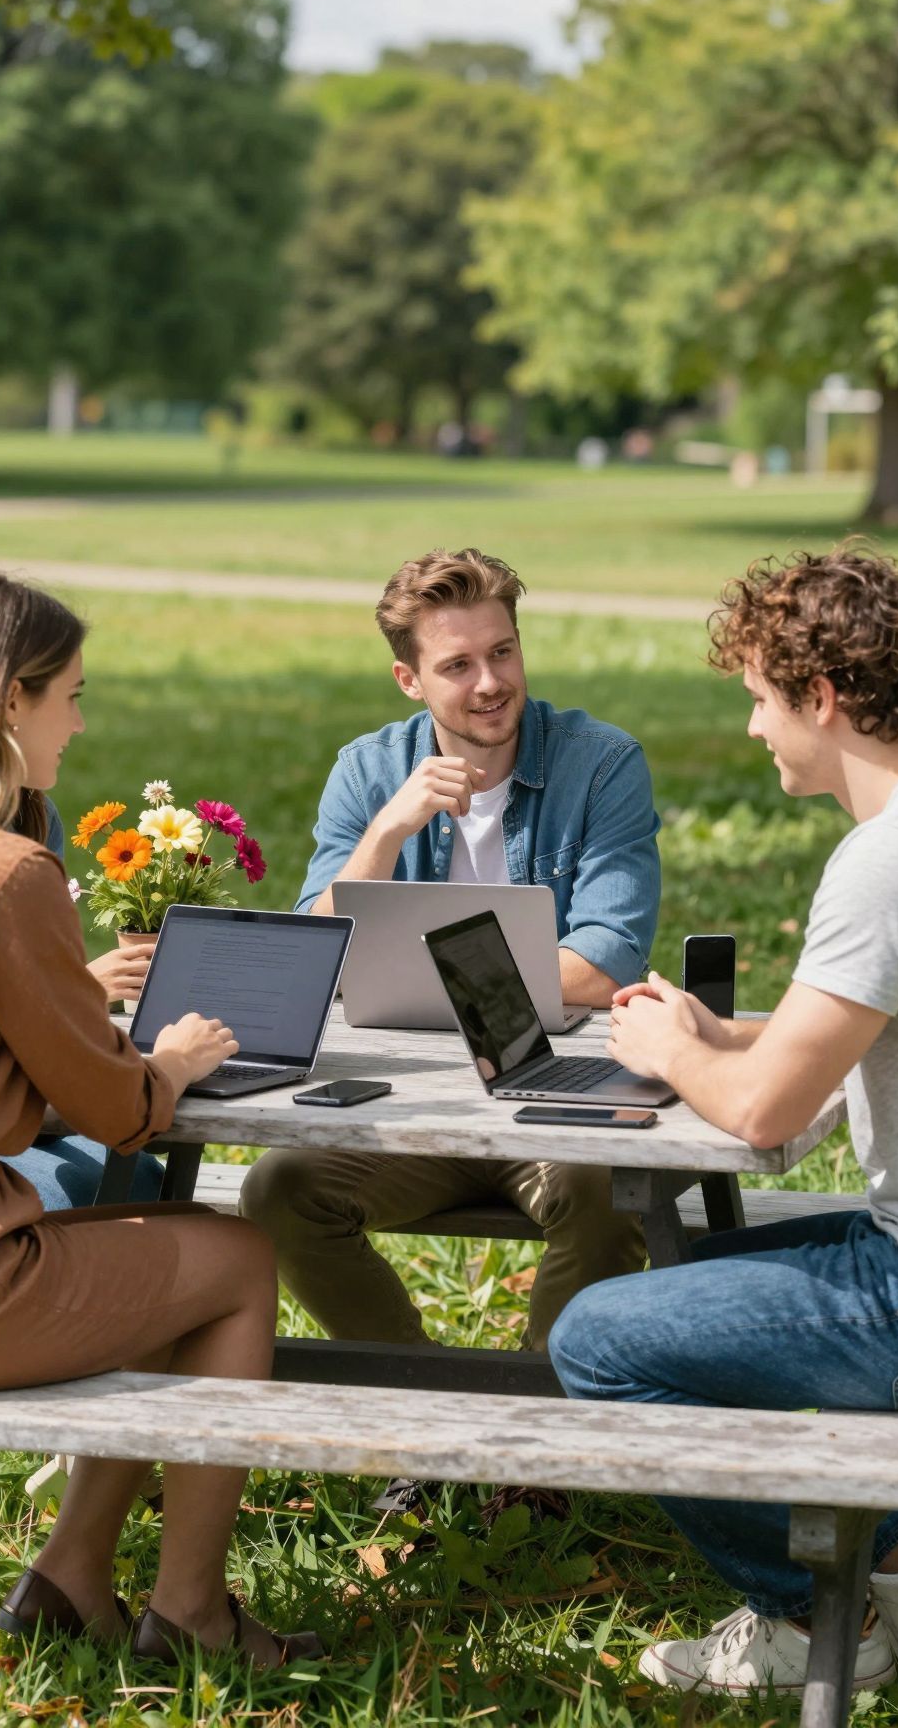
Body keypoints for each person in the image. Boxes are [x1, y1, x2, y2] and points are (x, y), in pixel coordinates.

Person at [0, 570, 320, 1667]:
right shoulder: (1, 872)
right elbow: (120, 1110)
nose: (80, 723)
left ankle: (68, 1578)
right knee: (240, 1260)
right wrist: (173, 1059)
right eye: (71, 696)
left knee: (161, 1252)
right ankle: (193, 1610)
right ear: (10, 701)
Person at [549, 546, 898, 1696]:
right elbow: (870, 1031)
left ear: (823, 696)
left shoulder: (897, 856)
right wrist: (725, 1032)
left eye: (759, 696)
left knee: (598, 1338)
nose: (754, 726)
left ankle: (829, 1602)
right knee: (685, 1276)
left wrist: (671, 1050)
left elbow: (764, 1116)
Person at [240, 546, 661, 1356]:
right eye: (458, 665)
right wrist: (387, 831)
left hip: (555, 1100)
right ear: (410, 680)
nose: (490, 683)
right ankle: (418, 1394)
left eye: (503, 652)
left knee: (608, 1192)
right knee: (278, 1191)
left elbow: (605, 961)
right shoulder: (369, 772)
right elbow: (313, 959)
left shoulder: (602, 764)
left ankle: (539, 1424)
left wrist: (415, 979)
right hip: (413, 1105)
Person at [9, 798, 165, 1212]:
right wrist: (78, 991)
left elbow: (35, 968)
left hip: (19, 1105)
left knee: (142, 1178)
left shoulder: (34, 811)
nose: (78, 727)